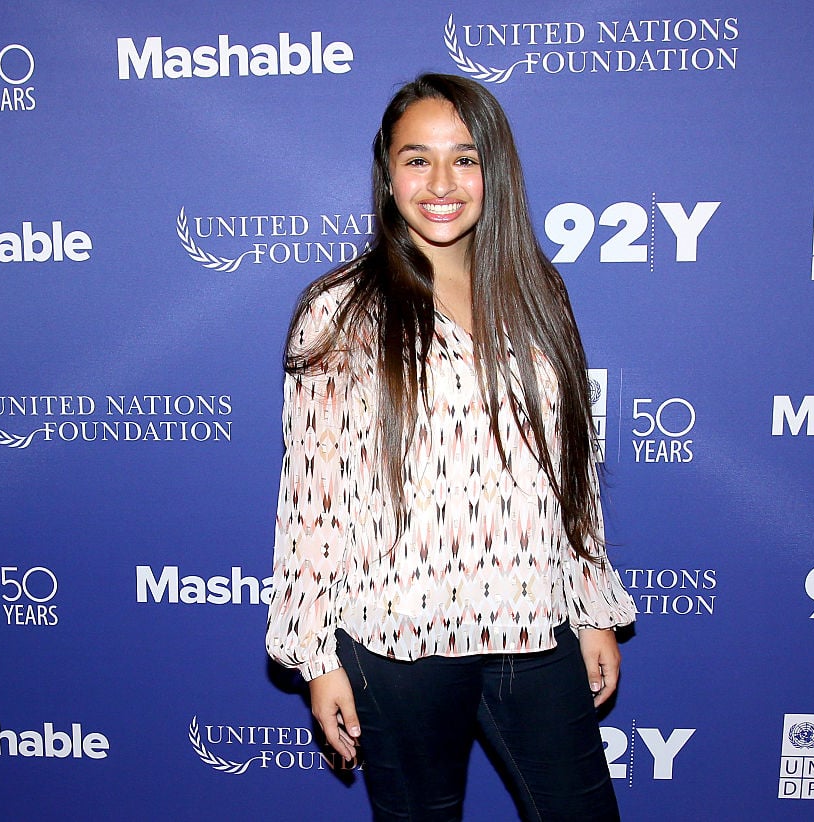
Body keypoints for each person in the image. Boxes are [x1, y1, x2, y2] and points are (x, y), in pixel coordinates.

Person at [266, 73, 636, 821]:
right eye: (417, 159)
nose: (441, 183)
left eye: (464, 158)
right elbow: (312, 499)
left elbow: (570, 469)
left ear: (494, 170)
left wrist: (591, 604)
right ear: (387, 172)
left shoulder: (538, 294)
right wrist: (317, 658)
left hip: (531, 616)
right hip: (395, 634)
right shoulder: (340, 311)